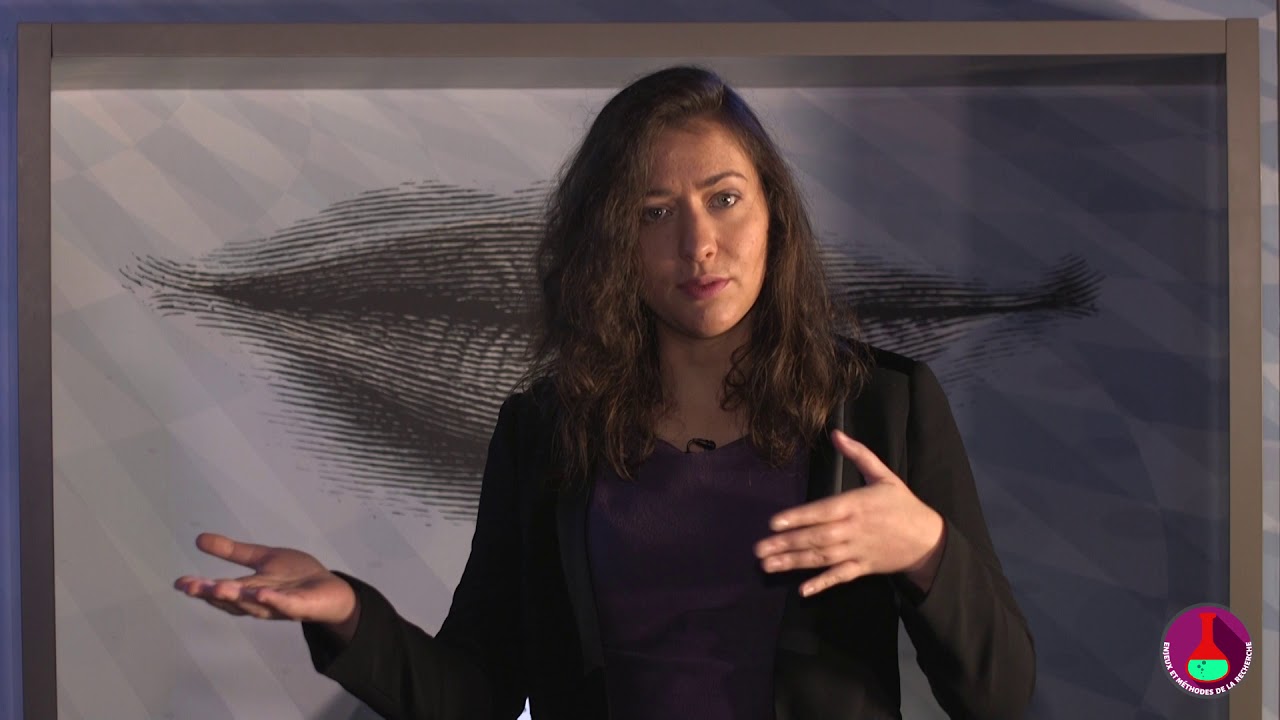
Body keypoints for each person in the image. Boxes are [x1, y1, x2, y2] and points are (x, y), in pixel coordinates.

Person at [175, 65, 1036, 719]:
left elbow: (1000, 694)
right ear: (611, 243)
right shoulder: (545, 430)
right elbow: (475, 693)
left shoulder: (885, 403)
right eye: (654, 212)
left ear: (773, 212)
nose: (698, 243)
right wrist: (347, 614)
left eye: (724, 199)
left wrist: (926, 549)